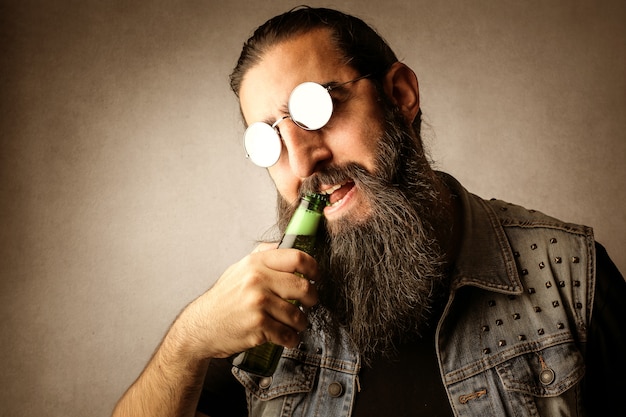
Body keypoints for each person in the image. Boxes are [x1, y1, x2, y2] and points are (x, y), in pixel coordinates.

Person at [111, 6, 626, 417]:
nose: (303, 159)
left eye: (318, 109)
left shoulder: (571, 273)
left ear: (400, 95)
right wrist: (188, 342)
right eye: (268, 141)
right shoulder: (258, 305)